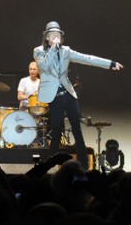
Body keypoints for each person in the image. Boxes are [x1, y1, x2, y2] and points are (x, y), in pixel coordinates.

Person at [32, 21, 122, 166]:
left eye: (58, 35)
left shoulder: (66, 50)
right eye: (52, 35)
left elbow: (87, 59)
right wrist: (53, 49)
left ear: (61, 38)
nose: (56, 37)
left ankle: (84, 163)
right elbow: (44, 66)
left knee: (76, 128)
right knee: (56, 129)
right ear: (47, 37)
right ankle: (50, 163)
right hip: (53, 96)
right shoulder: (38, 51)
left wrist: (110, 63)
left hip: (68, 94)